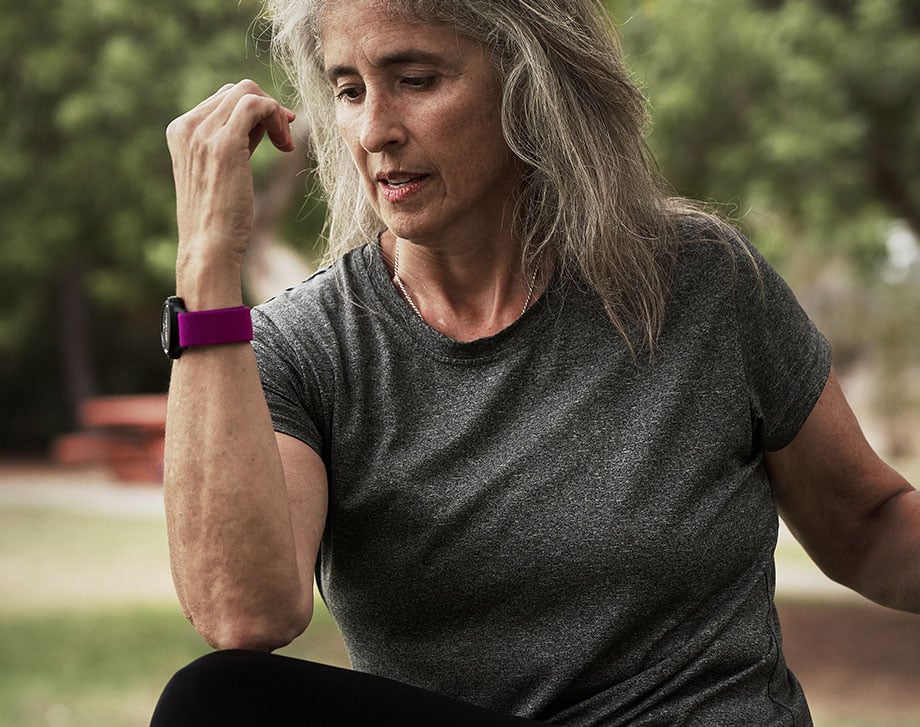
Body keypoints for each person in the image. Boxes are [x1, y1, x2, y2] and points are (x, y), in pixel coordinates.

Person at [151, 0, 920, 724]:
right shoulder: (308, 347)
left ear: (532, 82)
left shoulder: (700, 280)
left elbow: (868, 523)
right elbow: (243, 610)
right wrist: (206, 258)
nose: (374, 130)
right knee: (217, 703)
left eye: (416, 80)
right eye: (349, 90)